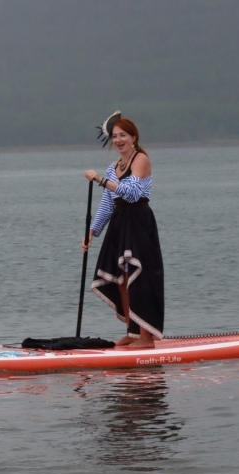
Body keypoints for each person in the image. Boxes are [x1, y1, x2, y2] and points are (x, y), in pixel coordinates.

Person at [82, 112, 164, 349]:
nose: (118, 140)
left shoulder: (141, 159)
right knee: (121, 279)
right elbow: (108, 204)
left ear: (133, 137)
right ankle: (132, 332)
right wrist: (92, 232)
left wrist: (101, 180)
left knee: (140, 278)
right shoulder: (113, 168)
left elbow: (132, 193)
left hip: (139, 221)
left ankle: (146, 338)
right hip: (119, 223)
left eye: (123, 135)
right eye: (115, 136)